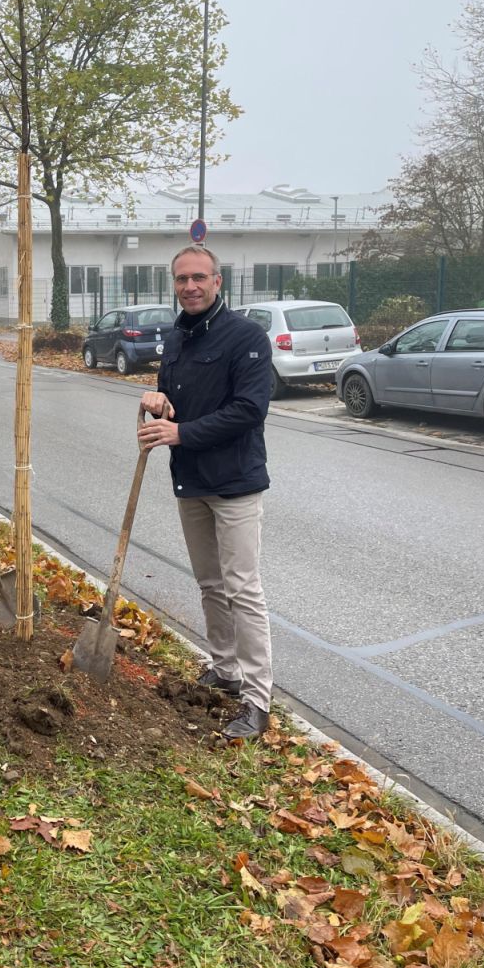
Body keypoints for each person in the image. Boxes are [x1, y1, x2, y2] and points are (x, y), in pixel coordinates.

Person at [137, 245, 274, 741]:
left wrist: (181, 434)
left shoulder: (247, 337)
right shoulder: (176, 337)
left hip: (235, 482)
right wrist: (158, 404)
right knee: (210, 584)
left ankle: (258, 699)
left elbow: (248, 410)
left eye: (198, 278)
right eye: (181, 279)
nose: (189, 287)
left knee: (242, 588)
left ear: (218, 281)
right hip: (190, 480)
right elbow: (177, 405)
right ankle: (226, 669)